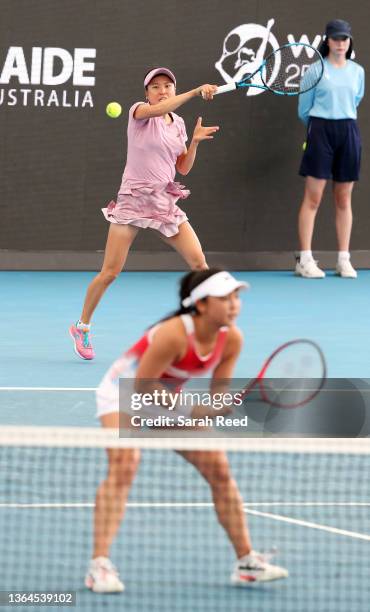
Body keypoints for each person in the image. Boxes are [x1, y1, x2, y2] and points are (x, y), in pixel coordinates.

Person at [85, 269, 288, 593]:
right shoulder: (173, 334)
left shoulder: (231, 338)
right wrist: (193, 410)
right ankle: (99, 566)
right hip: (122, 394)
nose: (234, 304)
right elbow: (143, 386)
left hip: (165, 398)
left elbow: (217, 394)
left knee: (219, 469)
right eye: (225, 298)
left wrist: (220, 405)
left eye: (236, 297)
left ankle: (247, 563)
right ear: (202, 304)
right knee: (125, 464)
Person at [70, 67, 219, 359]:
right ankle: (82, 326)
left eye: (167, 86)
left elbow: (183, 167)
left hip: (164, 202)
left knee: (200, 265)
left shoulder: (178, 123)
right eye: (155, 87)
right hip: (134, 200)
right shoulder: (138, 112)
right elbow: (160, 109)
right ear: (147, 94)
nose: (162, 90)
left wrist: (195, 143)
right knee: (110, 272)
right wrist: (194, 91)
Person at [295, 19, 364, 278]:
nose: (340, 43)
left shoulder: (358, 71)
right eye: (335, 39)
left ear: (349, 41)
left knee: (344, 198)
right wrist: (320, 127)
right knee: (313, 198)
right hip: (320, 131)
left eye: (344, 39)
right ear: (327, 41)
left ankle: (343, 259)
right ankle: (305, 259)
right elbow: (304, 110)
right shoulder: (315, 70)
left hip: (348, 131)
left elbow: (355, 99)